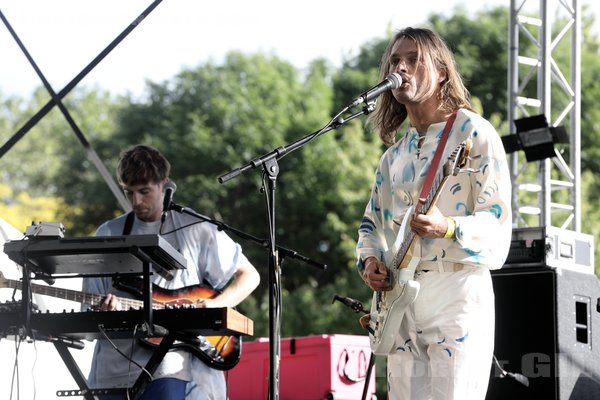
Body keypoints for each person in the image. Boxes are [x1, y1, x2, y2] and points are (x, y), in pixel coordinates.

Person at [356, 27, 512, 399]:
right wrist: (371, 263)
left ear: (441, 71)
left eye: (413, 59)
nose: (402, 67)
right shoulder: (392, 156)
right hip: (399, 302)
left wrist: (448, 227)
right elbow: (371, 226)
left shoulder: (474, 132)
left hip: (455, 289)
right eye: (395, 60)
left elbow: (497, 219)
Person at [83, 144, 261, 400]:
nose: (136, 201)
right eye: (129, 192)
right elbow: (91, 308)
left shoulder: (195, 228)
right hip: (111, 369)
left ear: (164, 183)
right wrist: (101, 311)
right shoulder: (108, 233)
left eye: (144, 191)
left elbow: (249, 276)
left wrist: (214, 306)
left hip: (171, 366)